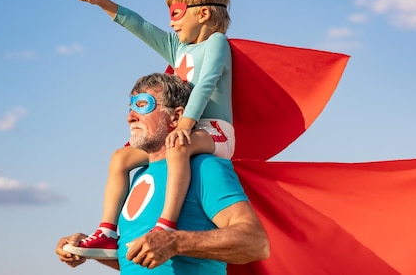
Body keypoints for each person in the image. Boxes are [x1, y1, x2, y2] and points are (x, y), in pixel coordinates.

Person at [70, 0, 235, 258]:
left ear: (204, 13)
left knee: (178, 145)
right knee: (120, 158)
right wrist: (100, 2)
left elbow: (207, 83)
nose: (171, 22)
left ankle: (166, 226)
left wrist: (185, 124)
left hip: (214, 131)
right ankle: (107, 233)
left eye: (177, 13)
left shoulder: (217, 43)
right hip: (184, 128)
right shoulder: (178, 48)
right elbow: (139, 25)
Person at [56, 73, 269, 273]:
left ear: (176, 117)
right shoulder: (137, 176)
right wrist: (86, 250)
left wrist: (175, 242)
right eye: (130, 108)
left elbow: (255, 242)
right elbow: (141, 260)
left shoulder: (204, 167)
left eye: (142, 106)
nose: (130, 117)